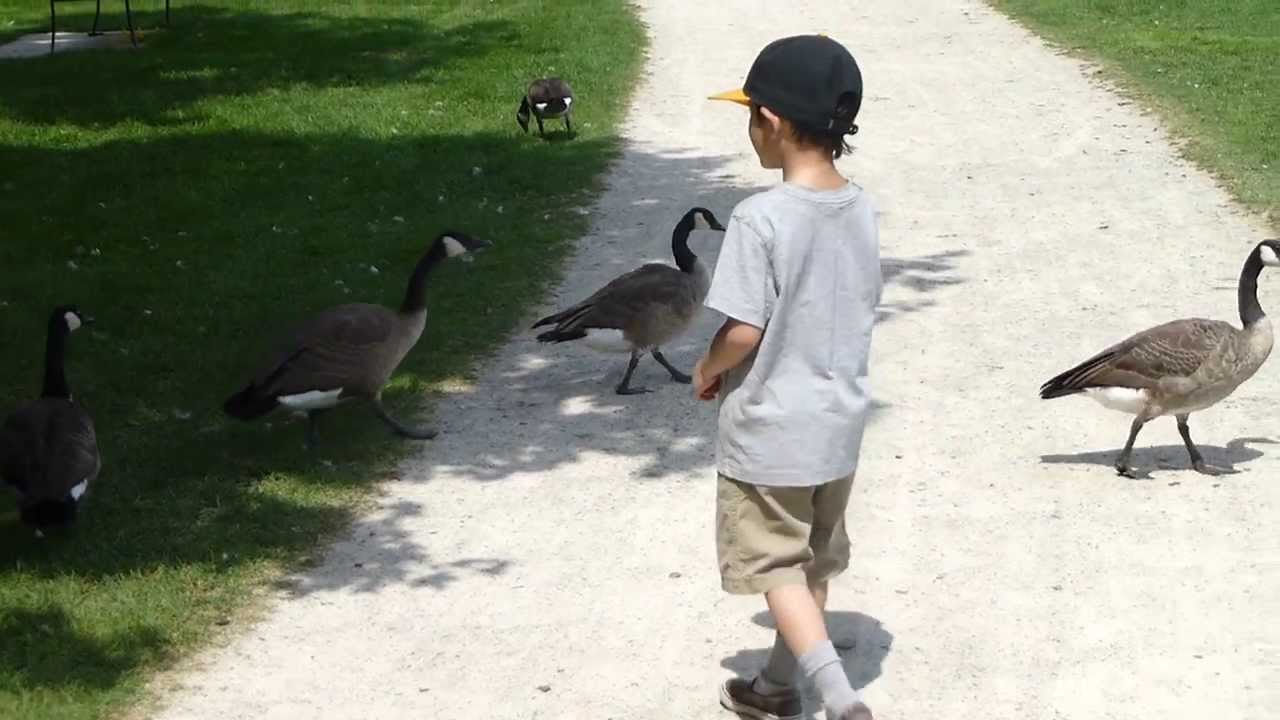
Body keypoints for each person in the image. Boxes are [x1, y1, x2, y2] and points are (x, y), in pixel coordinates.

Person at [697, 34, 881, 720]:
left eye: (749, 116)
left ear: (769, 121)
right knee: (810, 565)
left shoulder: (760, 216)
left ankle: (838, 698)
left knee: (775, 565)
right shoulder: (860, 206)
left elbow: (744, 328)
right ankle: (775, 689)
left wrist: (708, 367)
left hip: (773, 430)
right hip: (839, 423)